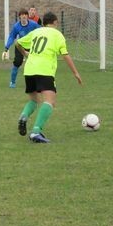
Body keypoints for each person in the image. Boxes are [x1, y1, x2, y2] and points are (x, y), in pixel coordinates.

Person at [15, 11, 82, 144]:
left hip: (29, 70)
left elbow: (17, 43)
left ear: (43, 22)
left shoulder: (36, 32)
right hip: (44, 70)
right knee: (50, 101)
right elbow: (65, 55)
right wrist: (75, 73)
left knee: (34, 101)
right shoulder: (57, 35)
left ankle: (23, 117)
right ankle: (35, 132)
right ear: (55, 22)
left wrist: (26, 54)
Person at [2, 8, 40, 88]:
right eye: (22, 15)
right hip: (20, 46)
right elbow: (12, 37)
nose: (24, 16)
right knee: (17, 62)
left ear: (27, 16)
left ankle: (36, 82)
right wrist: (6, 48)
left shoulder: (33, 24)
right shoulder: (16, 26)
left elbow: (41, 31)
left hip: (31, 46)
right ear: (19, 17)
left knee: (34, 63)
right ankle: (12, 82)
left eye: (25, 14)